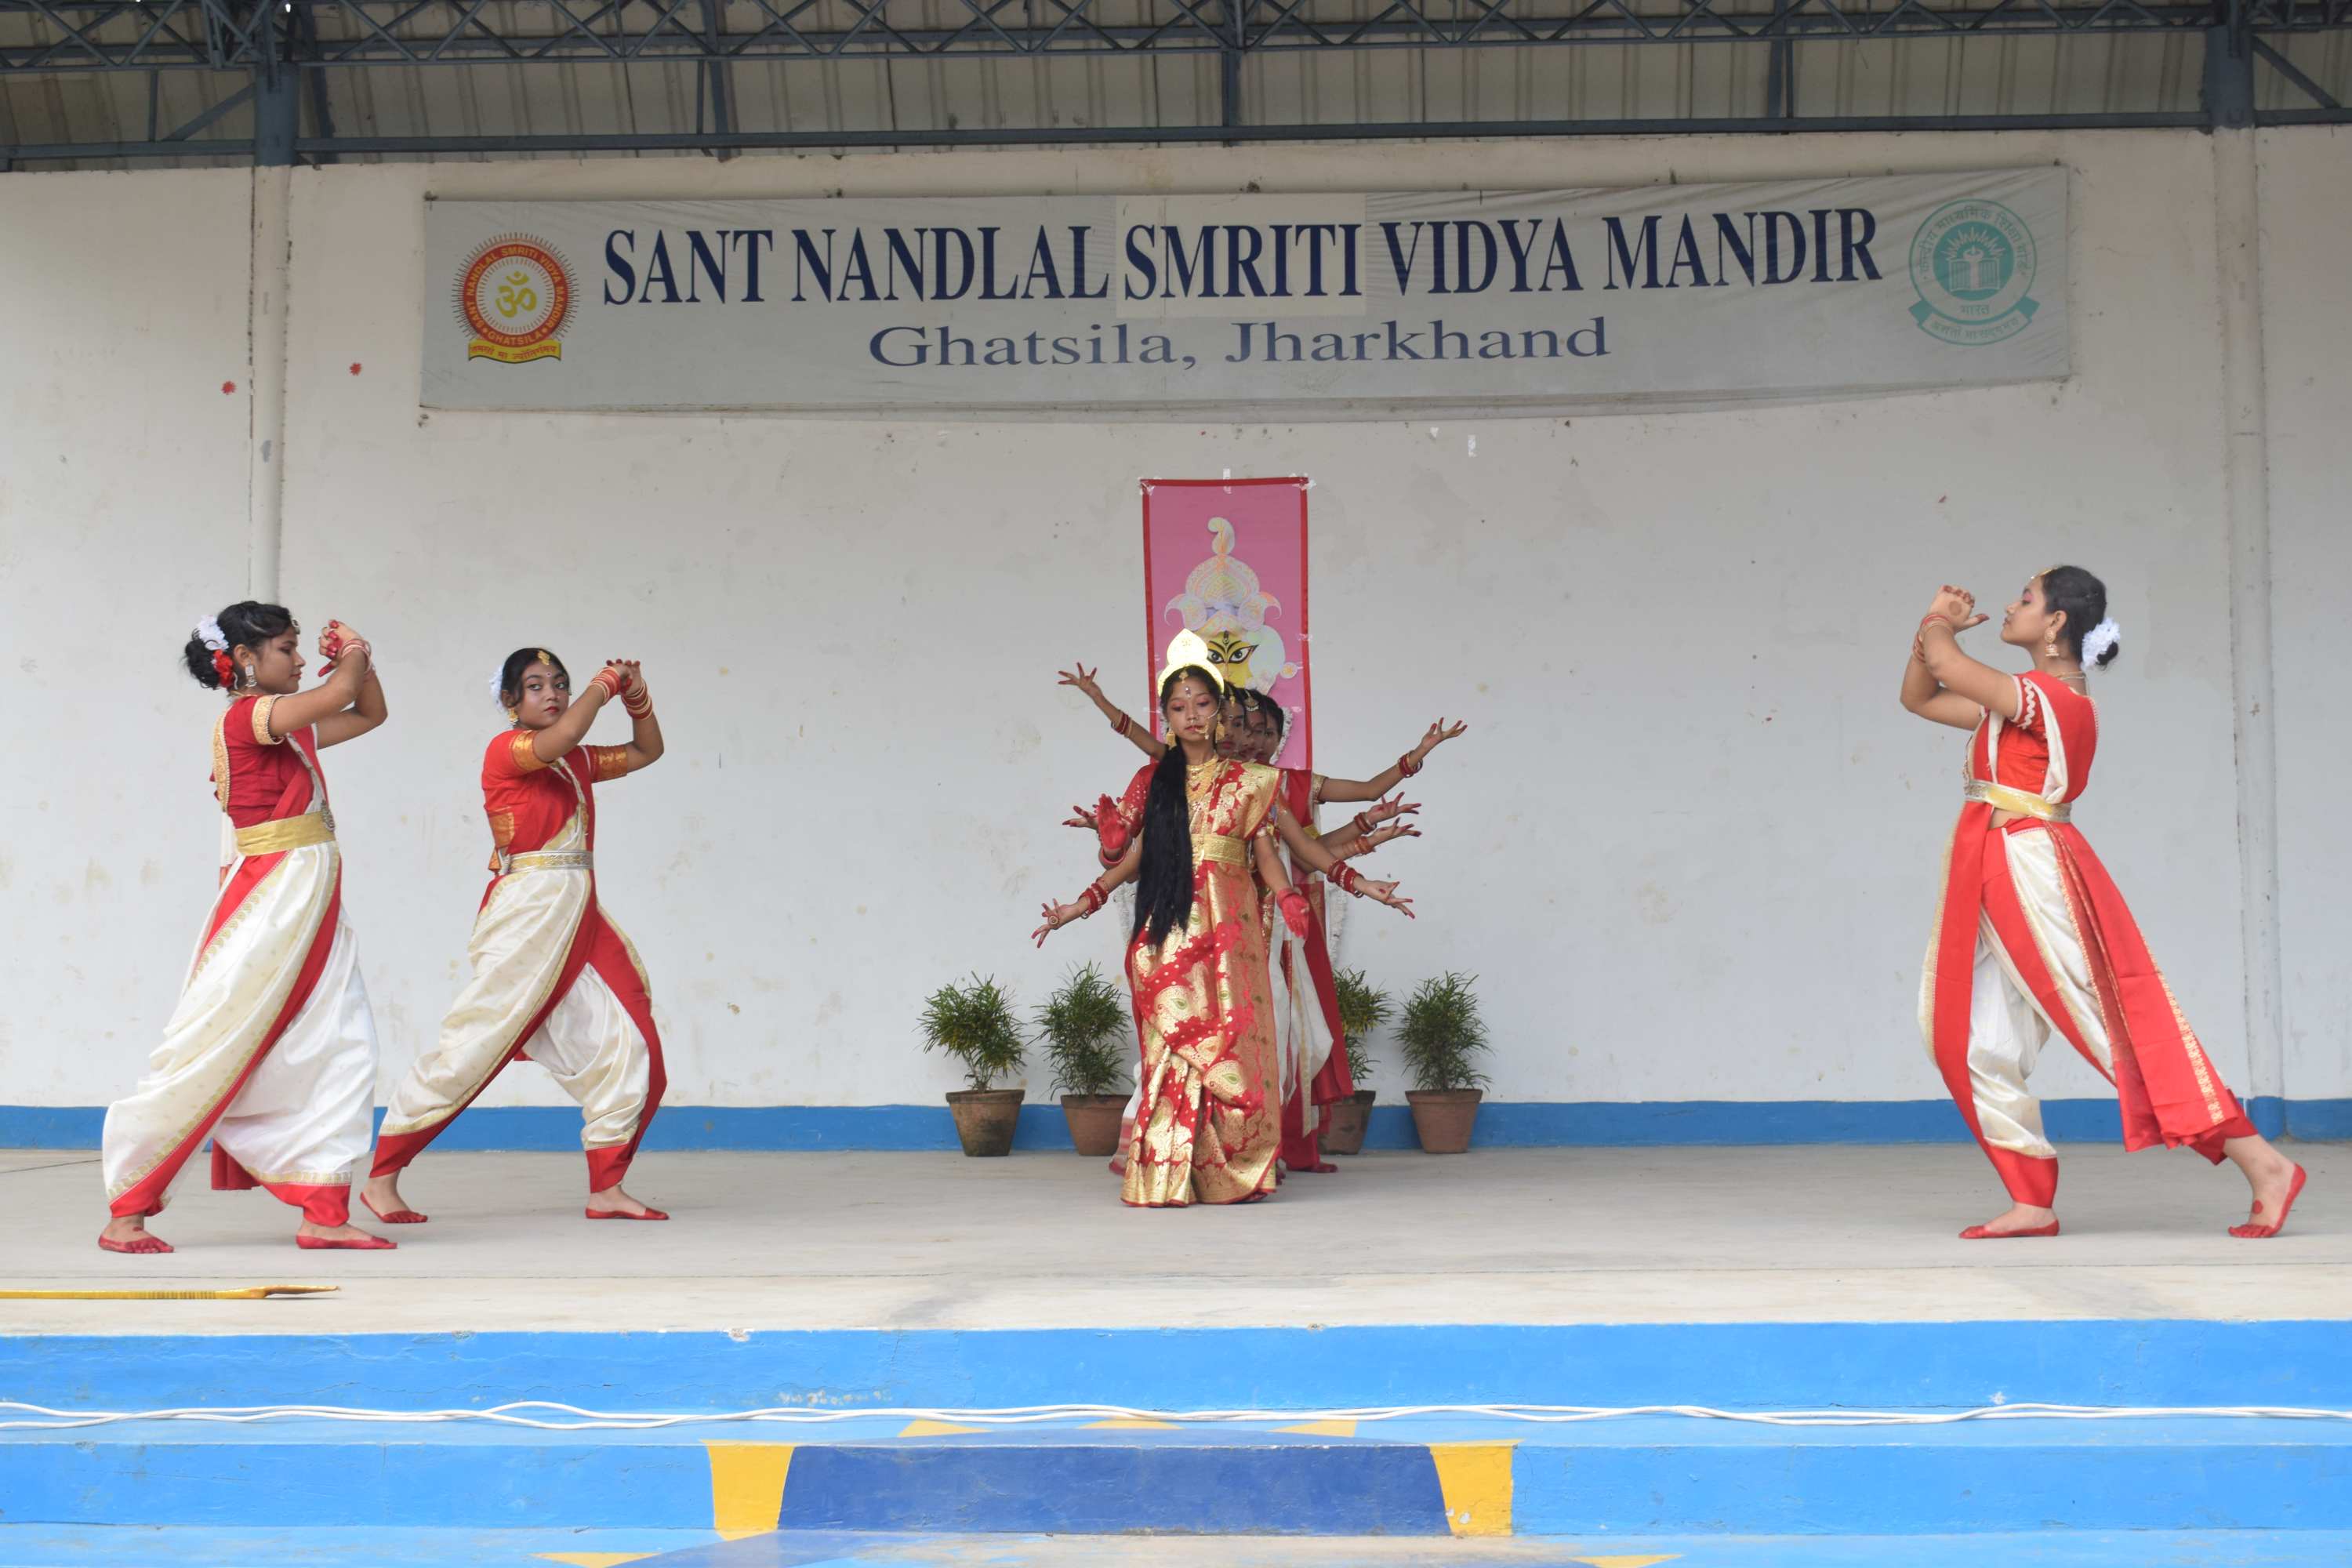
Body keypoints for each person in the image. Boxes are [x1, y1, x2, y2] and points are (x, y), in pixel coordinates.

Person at [1905, 568, 2307, 1240]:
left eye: (2027, 600)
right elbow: (1920, 695)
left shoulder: (2052, 697)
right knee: (1967, 1035)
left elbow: (1943, 659)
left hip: (2032, 870)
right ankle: (2030, 1198)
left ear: (2057, 622)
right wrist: (1928, 629)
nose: (2010, 606)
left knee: (2115, 1027)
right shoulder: (2013, 703)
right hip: (1990, 869)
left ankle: (2264, 1164)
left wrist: (1938, 619)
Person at [1035, 633, 1411, 1206]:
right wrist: (1085, 893)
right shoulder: (1152, 782)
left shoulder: (1253, 782)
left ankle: (1226, 1171)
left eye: (1203, 704)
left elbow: (1276, 851)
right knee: (1173, 1050)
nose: (1191, 715)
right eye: (1179, 706)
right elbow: (1130, 856)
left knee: (1236, 1055)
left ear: (1219, 713)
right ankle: (1167, 1175)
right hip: (1169, 930)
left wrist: (1329, 890)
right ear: (1165, 717)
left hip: (1234, 933)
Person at [99, 606, 392, 1253]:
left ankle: (324, 1211)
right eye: (287, 648)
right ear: (248, 659)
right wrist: (353, 652)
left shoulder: (292, 728)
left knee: (340, 1043)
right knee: (213, 1044)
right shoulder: (250, 717)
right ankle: (128, 1208)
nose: (295, 659)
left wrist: (357, 662)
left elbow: (369, 712)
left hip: (310, 895)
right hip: (271, 897)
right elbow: (343, 690)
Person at [365, 649, 669, 1223]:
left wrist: (637, 696)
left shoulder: (573, 759)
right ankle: (383, 1176)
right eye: (535, 686)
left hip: (579, 911)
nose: (551, 693)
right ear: (509, 702)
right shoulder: (509, 751)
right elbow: (567, 732)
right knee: (473, 1046)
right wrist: (607, 683)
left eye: (559, 683)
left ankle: (607, 1186)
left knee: (636, 1041)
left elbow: (648, 750)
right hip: (528, 912)